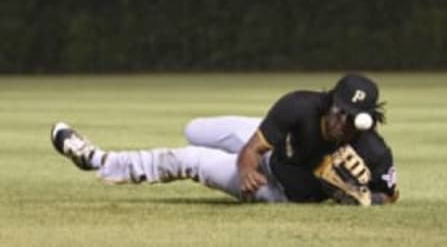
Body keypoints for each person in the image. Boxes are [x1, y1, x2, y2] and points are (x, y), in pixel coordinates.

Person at [51, 74, 399, 205]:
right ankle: (227, 158)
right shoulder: (300, 106)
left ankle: (97, 160)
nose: (342, 121)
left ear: (366, 119)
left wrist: (363, 197)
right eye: (338, 110)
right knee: (196, 129)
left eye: (351, 118)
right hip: (263, 157)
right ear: (330, 103)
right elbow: (253, 150)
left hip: (276, 189)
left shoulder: (372, 150)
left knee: (189, 158)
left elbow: (391, 194)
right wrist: (246, 166)